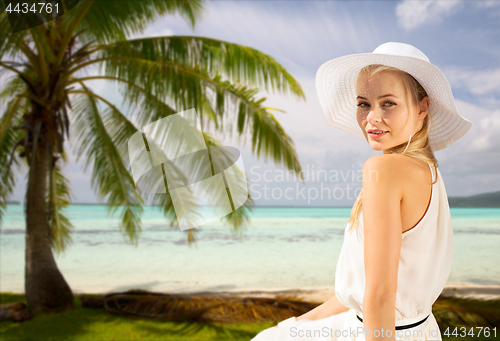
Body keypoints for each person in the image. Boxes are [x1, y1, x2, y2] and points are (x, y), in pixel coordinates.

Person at [250, 42, 472, 341]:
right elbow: (359, 292)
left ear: (422, 107)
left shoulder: (386, 170)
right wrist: (292, 324)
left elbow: (380, 295)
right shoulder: (429, 173)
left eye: (388, 103)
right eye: (364, 103)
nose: (372, 117)